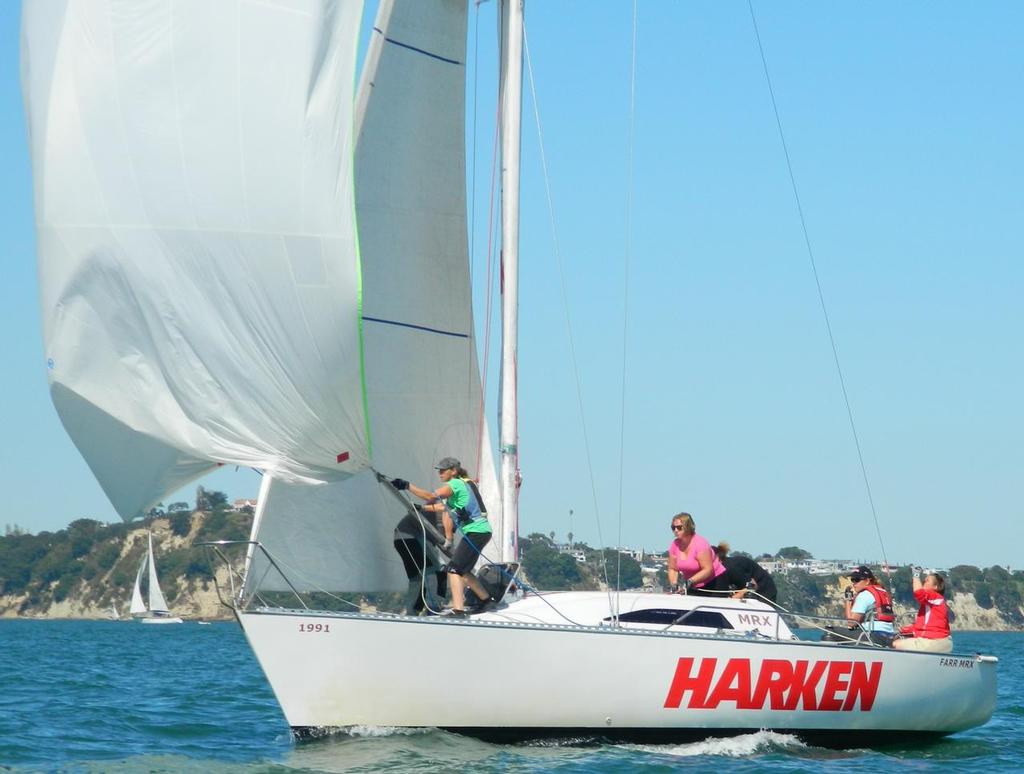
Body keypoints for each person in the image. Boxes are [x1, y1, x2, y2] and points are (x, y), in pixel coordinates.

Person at [391, 457, 494, 617]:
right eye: (439, 470)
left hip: (477, 532)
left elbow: (430, 496)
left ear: (453, 471)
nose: (440, 473)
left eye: (443, 470)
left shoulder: (455, 484)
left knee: (453, 570)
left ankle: (458, 610)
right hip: (480, 531)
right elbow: (442, 506)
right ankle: (486, 600)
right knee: (463, 571)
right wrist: (422, 508)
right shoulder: (462, 485)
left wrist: (407, 485)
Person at [392, 507, 448, 615]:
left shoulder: (433, 510)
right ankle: (434, 606)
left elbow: (442, 543)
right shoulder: (442, 513)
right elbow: (443, 542)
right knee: (437, 570)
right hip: (411, 539)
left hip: (399, 540)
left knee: (416, 578)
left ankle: (412, 611)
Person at [822, 565, 894, 646]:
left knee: (830, 631)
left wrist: (848, 600)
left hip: (872, 635)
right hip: (889, 635)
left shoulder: (864, 595)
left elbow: (851, 623)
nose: (854, 583)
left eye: (857, 580)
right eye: (853, 580)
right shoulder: (884, 593)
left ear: (867, 581)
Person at [666, 513, 730, 596]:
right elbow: (673, 568)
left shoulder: (700, 544)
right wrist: (674, 585)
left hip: (715, 581)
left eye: (679, 527)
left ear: (688, 527)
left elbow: (708, 569)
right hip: (693, 584)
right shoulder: (675, 545)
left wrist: (690, 581)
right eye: (673, 528)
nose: (675, 530)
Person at [894, 569, 952, 652]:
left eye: (927, 581)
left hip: (933, 642)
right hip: (943, 642)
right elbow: (927, 627)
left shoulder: (935, 596)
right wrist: (904, 630)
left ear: (935, 587)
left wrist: (916, 575)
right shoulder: (935, 602)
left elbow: (918, 592)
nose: (924, 582)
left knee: (895, 644)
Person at [714, 542, 778, 603]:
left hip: (764, 591)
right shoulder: (722, 569)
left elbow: (752, 586)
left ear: (717, 557)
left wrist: (732, 599)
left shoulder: (732, 567)